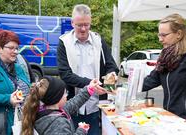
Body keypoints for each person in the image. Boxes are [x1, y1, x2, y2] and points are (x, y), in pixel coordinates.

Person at [57, 4, 119, 135]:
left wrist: (112, 76)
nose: (84, 29)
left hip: (96, 106)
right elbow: (65, 74)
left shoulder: (98, 40)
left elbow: (111, 65)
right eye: (79, 25)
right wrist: (90, 84)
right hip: (72, 106)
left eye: (87, 24)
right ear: (72, 23)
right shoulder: (64, 42)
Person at [142, 13, 186, 129]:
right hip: (171, 120)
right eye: (159, 35)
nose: (160, 39)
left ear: (179, 34)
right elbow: (149, 81)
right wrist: (119, 87)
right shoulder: (165, 59)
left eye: (164, 35)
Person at [21, 76, 105, 135]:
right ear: (57, 98)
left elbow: (74, 103)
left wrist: (89, 88)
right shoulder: (58, 123)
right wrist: (81, 130)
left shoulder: (48, 111)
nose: (67, 95)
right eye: (65, 93)